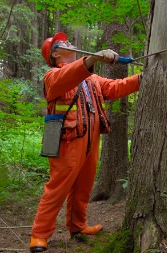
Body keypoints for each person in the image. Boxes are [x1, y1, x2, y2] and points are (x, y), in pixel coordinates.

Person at [30, 32, 142, 252]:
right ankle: (39, 235)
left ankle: (77, 226)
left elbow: (114, 87)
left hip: (91, 139)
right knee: (57, 188)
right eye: (64, 43)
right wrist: (93, 59)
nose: (71, 42)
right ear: (54, 53)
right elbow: (66, 78)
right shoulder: (52, 76)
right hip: (67, 140)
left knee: (84, 187)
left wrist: (139, 80)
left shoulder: (91, 78)